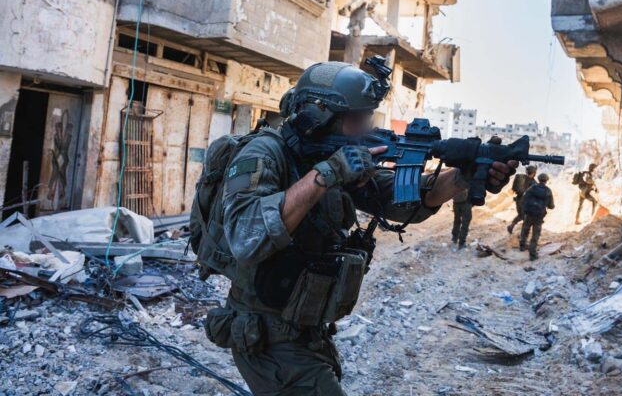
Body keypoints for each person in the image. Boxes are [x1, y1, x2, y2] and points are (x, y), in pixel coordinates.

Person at [203, 60, 517, 395]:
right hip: (266, 334)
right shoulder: (264, 153)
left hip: (307, 327)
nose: (366, 128)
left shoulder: (333, 156)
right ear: (318, 116)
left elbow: (401, 199)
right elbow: (246, 237)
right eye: (356, 119)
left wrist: (462, 177)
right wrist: (326, 175)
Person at [519, 173, 555, 261]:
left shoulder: (532, 188)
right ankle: (532, 254)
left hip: (529, 213)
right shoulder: (548, 191)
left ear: (538, 179)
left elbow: (524, 198)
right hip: (539, 216)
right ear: (546, 180)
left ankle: (522, 246)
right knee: (535, 234)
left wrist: (525, 207)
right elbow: (551, 206)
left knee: (525, 229)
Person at [507, 165, 537, 234]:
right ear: (534, 173)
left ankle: (511, 226)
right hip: (526, 202)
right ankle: (522, 235)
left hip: (518, 200)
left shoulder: (521, 178)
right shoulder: (534, 183)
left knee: (520, 215)